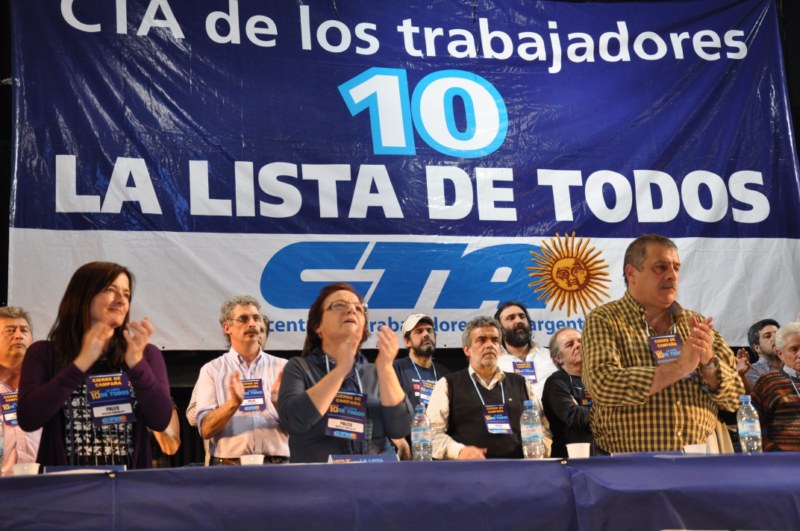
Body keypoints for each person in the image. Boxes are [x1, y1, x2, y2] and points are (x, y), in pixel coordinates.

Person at [582, 234, 743, 454]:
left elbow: (736, 399)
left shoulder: (696, 324)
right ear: (631, 273)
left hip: (698, 461)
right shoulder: (604, 320)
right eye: (661, 267)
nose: (672, 275)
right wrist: (679, 368)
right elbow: (603, 384)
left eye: (676, 268)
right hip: (628, 464)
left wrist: (709, 365)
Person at [18, 262, 172, 468]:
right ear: (83, 295)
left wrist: (137, 365)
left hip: (127, 483)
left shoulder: (146, 354)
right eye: (110, 290)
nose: (121, 300)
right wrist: (80, 364)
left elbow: (160, 420)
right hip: (66, 483)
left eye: (126, 294)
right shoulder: (43, 353)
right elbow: (28, 419)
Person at [278, 283, 412, 463]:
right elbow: (293, 421)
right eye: (339, 305)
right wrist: (341, 370)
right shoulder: (300, 368)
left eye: (359, 308)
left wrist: (386, 368)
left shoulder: (377, 371)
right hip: (320, 477)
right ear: (318, 326)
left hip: (377, 475)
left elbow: (401, 428)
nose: (351, 310)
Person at [428, 316, 551, 459]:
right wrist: (459, 451)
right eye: (481, 340)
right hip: (469, 469)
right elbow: (431, 434)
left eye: (495, 340)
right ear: (467, 350)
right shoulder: (448, 384)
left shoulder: (521, 383)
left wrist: (539, 451)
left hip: (518, 468)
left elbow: (543, 427)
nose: (489, 345)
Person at [193, 296, 288, 465]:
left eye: (256, 318)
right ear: (227, 327)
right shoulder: (212, 370)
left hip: (277, 466)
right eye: (243, 319)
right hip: (229, 467)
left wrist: (278, 404)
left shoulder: (283, 367)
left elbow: (301, 428)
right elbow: (205, 429)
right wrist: (233, 403)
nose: (252, 324)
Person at [391, 313, 450, 459]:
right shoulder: (396, 368)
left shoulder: (446, 374)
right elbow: (385, 410)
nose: (426, 334)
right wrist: (401, 444)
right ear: (407, 341)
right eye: (419, 331)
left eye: (429, 330)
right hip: (409, 453)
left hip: (440, 451)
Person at [0, 306, 41, 476]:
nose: (18, 335)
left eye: (24, 330)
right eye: (10, 331)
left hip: (43, 485)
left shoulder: (46, 385)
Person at [542, 327, 592, 458]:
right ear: (559, 358)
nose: (578, 345)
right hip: (570, 459)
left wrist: (582, 409)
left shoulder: (599, 377)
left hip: (604, 454)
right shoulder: (556, 383)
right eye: (570, 344)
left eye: (581, 341)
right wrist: (607, 410)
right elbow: (575, 417)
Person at [751, 322, 800, 451]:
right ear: (780, 354)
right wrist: (773, 453)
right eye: (794, 349)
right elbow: (750, 427)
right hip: (783, 459)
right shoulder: (769, 382)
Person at [494, 301, 557, 400]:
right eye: (511, 318)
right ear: (500, 328)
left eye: (522, 316)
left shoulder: (552, 356)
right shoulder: (494, 362)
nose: (519, 321)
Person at [736, 319, 780, 393]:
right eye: (767, 336)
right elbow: (755, 398)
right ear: (757, 347)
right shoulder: (752, 371)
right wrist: (742, 376)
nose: (775, 338)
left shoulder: (793, 364)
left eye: (778, 335)